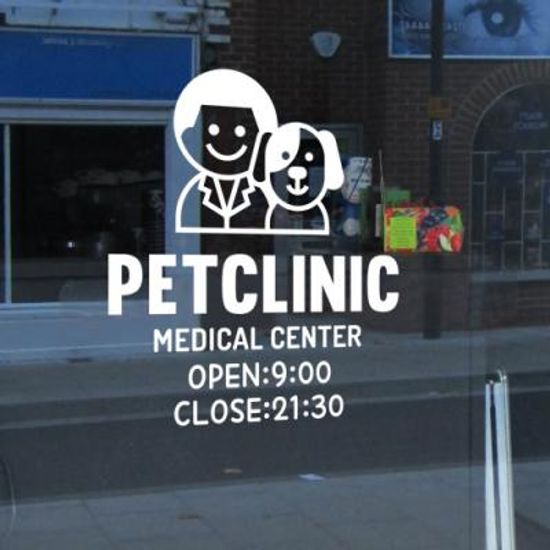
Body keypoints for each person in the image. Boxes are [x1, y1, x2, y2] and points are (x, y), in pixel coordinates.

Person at [173, 69, 278, 233]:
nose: (227, 139)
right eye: (215, 131)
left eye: (238, 132)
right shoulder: (189, 192)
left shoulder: (257, 196)